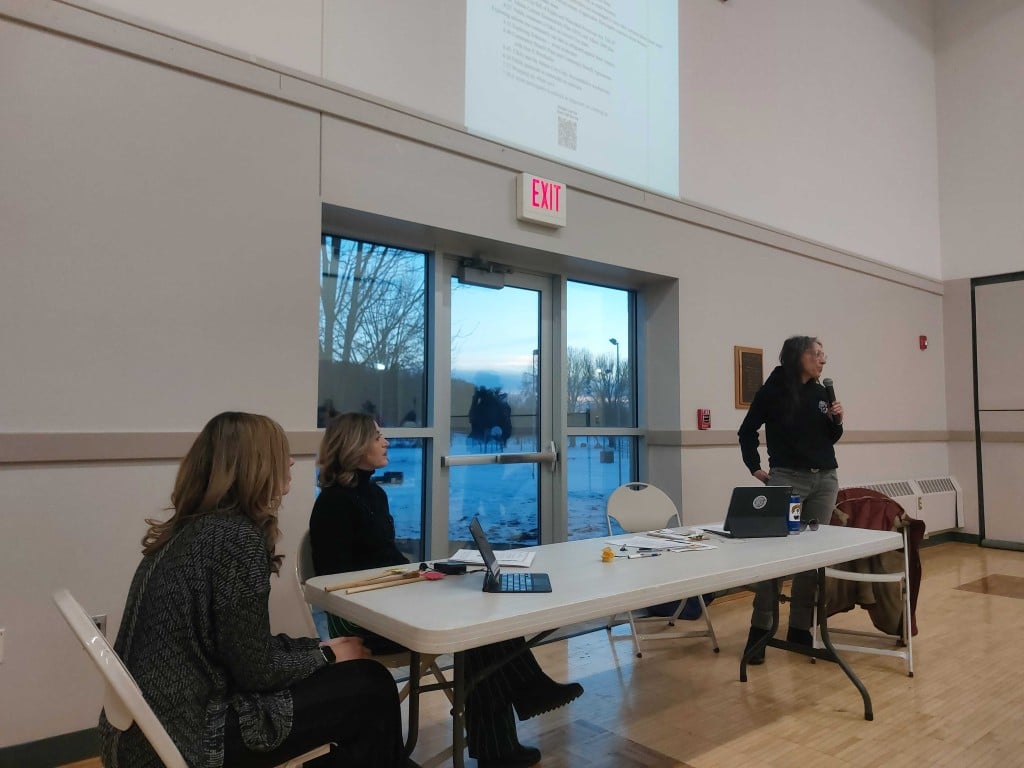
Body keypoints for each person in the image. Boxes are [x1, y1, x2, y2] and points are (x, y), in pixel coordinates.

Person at [99, 411, 409, 768]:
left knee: (356, 683)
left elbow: (242, 648)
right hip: (189, 736)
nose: (292, 461)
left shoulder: (190, 531)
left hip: (143, 734)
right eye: (282, 453)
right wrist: (325, 656)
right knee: (370, 686)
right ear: (255, 465)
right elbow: (257, 671)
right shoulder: (235, 538)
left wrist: (319, 648)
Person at [310, 412, 584, 768]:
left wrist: (426, 572)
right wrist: (403, 585)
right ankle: (505, 734)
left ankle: (507, 732)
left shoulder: (374, 494)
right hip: (364, 619)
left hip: (396, 600)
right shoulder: (332, 504)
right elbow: (336, 580)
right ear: (355, 445)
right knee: (474, 628)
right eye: (378, 436)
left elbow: (387, 556)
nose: (387, 442)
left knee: (480, 618)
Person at [737, 336, 845, 664]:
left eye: (824, 354)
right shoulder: (773, 391)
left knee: (812, 558)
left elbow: (830, 438)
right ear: (799, 356)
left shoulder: (821, 392)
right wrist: (755, 468)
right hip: (788, 482)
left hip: (824, 480)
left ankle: (800, 631)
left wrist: (837, 421)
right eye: (817, 354)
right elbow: (747, 432)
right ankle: (760, 632)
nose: (822, 360)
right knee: (777, 557)